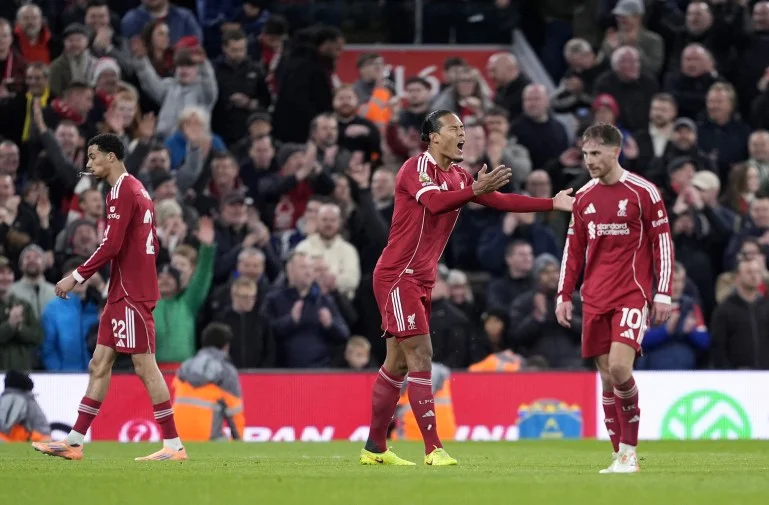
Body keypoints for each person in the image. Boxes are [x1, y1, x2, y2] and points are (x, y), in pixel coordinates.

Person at [361, 109, 574, 467]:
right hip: (399, 275)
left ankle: (374, 449)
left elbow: (500, 201)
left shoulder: (458, 174)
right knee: (421, 355)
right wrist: (474, 189)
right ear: (433, 137)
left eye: (464, 129)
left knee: (397, 363)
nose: (463, 134)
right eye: (455, 128)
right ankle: (433, 450)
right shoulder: (416, 169)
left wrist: (551, 203)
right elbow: (433, 202)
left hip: (422, 278)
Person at [31, 133, 187, 462]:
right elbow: (152, 244)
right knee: (99, 364)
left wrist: (76, 276)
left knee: (145, 366)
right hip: (123, 290)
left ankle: (173, 445)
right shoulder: (139, 189)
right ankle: (74, 441)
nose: (89, 163)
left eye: (93, 156)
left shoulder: (121, 191)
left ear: (112, 157)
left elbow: (112, 245)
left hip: (130, 293)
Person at [555, 123, 673, 474]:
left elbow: (662, 244)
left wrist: (662, 292)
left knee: (621, 368)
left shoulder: (643, 192)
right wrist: (564, 294)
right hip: (594, 298)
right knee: (607, 378)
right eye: (585, 154)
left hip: (631, 294)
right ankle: (620, 456)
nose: (589, 161)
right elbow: (572, 251)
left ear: (614, 151)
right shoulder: (585, 198)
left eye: (595, 153)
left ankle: (629, 452)